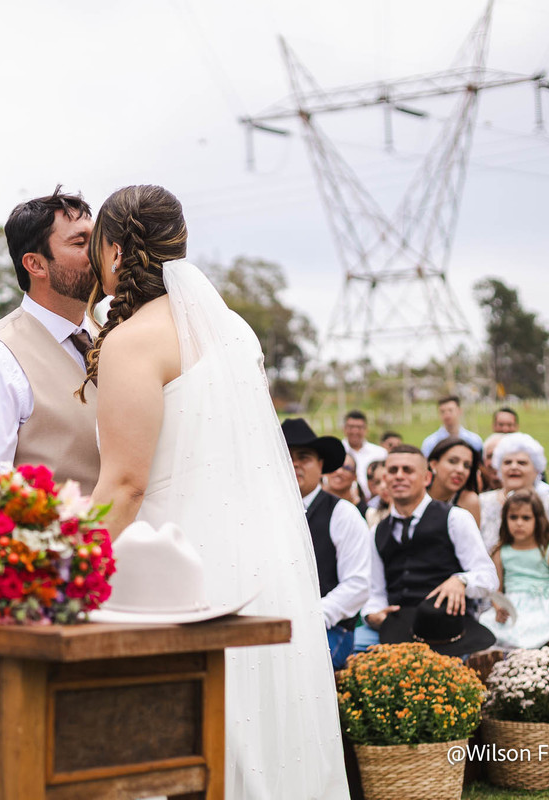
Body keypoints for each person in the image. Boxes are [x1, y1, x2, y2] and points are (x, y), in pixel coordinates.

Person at [85, 185, 348, 799]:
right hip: (261, 559)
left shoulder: (132, 340)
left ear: (115, 251)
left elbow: (124, 483)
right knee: (265, 730)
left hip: (176, 565)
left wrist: (64, 568)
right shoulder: (234, 331)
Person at [0, 186, 100, 492]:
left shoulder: (113, 338)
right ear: (36, 264)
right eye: (80, 242)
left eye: (96, 239)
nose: (98, 252)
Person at [356, 446, 498, 654]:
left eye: (408, 470)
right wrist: (372, 614)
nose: (399, 476)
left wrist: (461, 581)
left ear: (427, 478)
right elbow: (376, 591)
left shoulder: (455, 518)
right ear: (385, 478)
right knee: (350, 650)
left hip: (446, 632)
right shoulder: (377, 532)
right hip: (396, 629)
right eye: (393, 470)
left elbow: (488, 578)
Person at [282, 420, 372, 670]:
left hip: (329, 630)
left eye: (304, 457)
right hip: (273, 628)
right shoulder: (265, 513)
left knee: (297, 671)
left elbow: (358, 585)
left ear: (321, 465)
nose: (295, 464)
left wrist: (310, 618)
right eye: (286, 456)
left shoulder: (342, 513)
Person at [479, 490, 549, 649]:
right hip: (513, 608)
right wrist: (499, 607)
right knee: (486, 625)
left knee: (531, 630)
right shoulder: (501, 553)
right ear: (505, 519)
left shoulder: (548, 552)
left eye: (526, 518)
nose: (519, 523)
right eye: (513, 517)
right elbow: (496, 590)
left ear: (538, 520)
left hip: (544, 607)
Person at [479, 433, 549, 553]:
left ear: (536, 469)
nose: (513, 467)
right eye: (507, 462)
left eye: (522, 463)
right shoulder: (481, 502)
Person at [427, 437, 482, 526]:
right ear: (434, 464)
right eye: (452, 461)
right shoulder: (415, 493)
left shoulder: (468, 501)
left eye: (467, 466)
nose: (460, 470)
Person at [342, 410, 386, 499]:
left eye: (359, 427)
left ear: (366, 429)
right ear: (344, 429)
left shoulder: (380, 453)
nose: (355, 431)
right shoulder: (336, 452)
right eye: (351, 427)